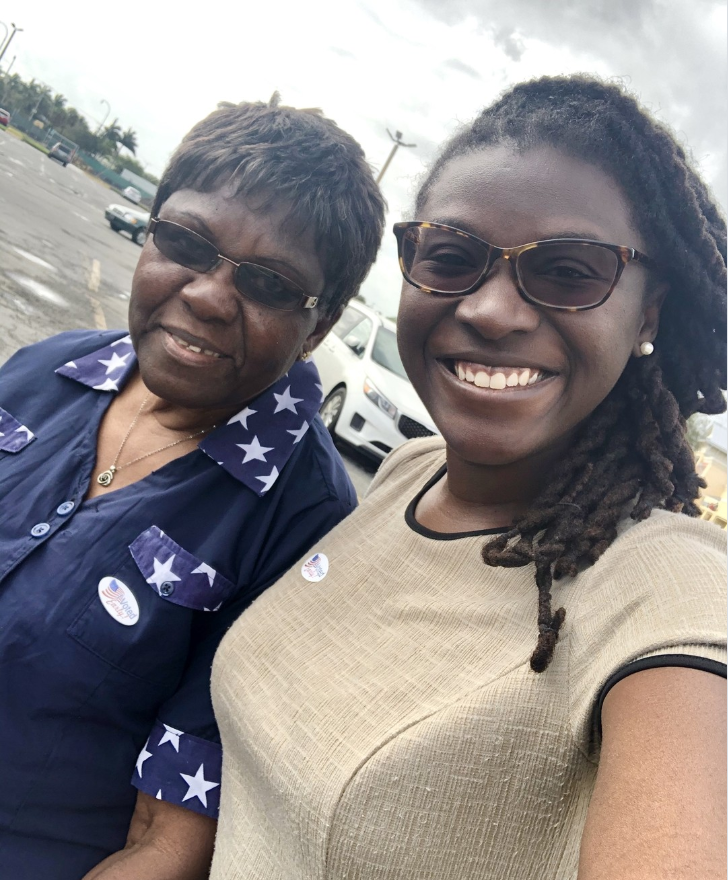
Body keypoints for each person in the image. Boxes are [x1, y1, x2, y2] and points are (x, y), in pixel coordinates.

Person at [209, 76, 727, 880]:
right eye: (450, 257)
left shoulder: (666, 589)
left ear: (649, 312)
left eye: (567, 271)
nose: (491, 310)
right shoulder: (405, 476)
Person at [0, 95, 384, 879]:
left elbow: (166, 843)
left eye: (271, 284)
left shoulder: (302, 526)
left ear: (319, 325)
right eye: (185, 242)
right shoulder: (44, 373)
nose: (209, 294)